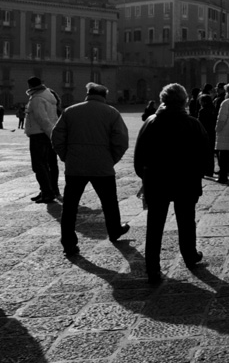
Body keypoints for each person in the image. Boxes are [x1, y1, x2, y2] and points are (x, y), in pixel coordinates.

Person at [134, 83, 207, 284]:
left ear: (162, 100)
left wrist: (146, 177)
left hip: (157, 180)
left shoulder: (151, 122)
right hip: (186, 180)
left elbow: (139, 157)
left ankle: (152, 268)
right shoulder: (193, 124)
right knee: (186, 220)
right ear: (185, 101)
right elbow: (205, 156)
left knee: (155, 224)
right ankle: (190, 256)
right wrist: (197, 175)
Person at [50, 82, 130, 257]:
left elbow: (56, 137)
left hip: (75, 166)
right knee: (109, 202)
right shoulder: (112, 113)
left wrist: (66, 156)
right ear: (104, 96)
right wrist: (111, 159)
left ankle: (69, 243)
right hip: (102, 166)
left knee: (70, 207)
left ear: (88, 94)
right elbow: (122, 141)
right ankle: (115, 231)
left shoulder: (71, 111)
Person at [24, 76, 60, 203]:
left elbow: (42, 119)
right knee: (50, 164)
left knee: (39, 165)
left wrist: (51, 135)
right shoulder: (48, 95)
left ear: (30, 86)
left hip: (39, 135)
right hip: (47, 134)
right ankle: (51, 190)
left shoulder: (37, 98)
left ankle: (47, 193)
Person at [196, 93, 217, 177]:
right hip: (212, 133)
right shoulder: (214, 109)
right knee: (211, 153)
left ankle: (203, 170)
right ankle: (210, 170)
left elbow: (200, 123)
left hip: (204, 133)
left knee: (202, 153)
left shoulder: (202, 111)